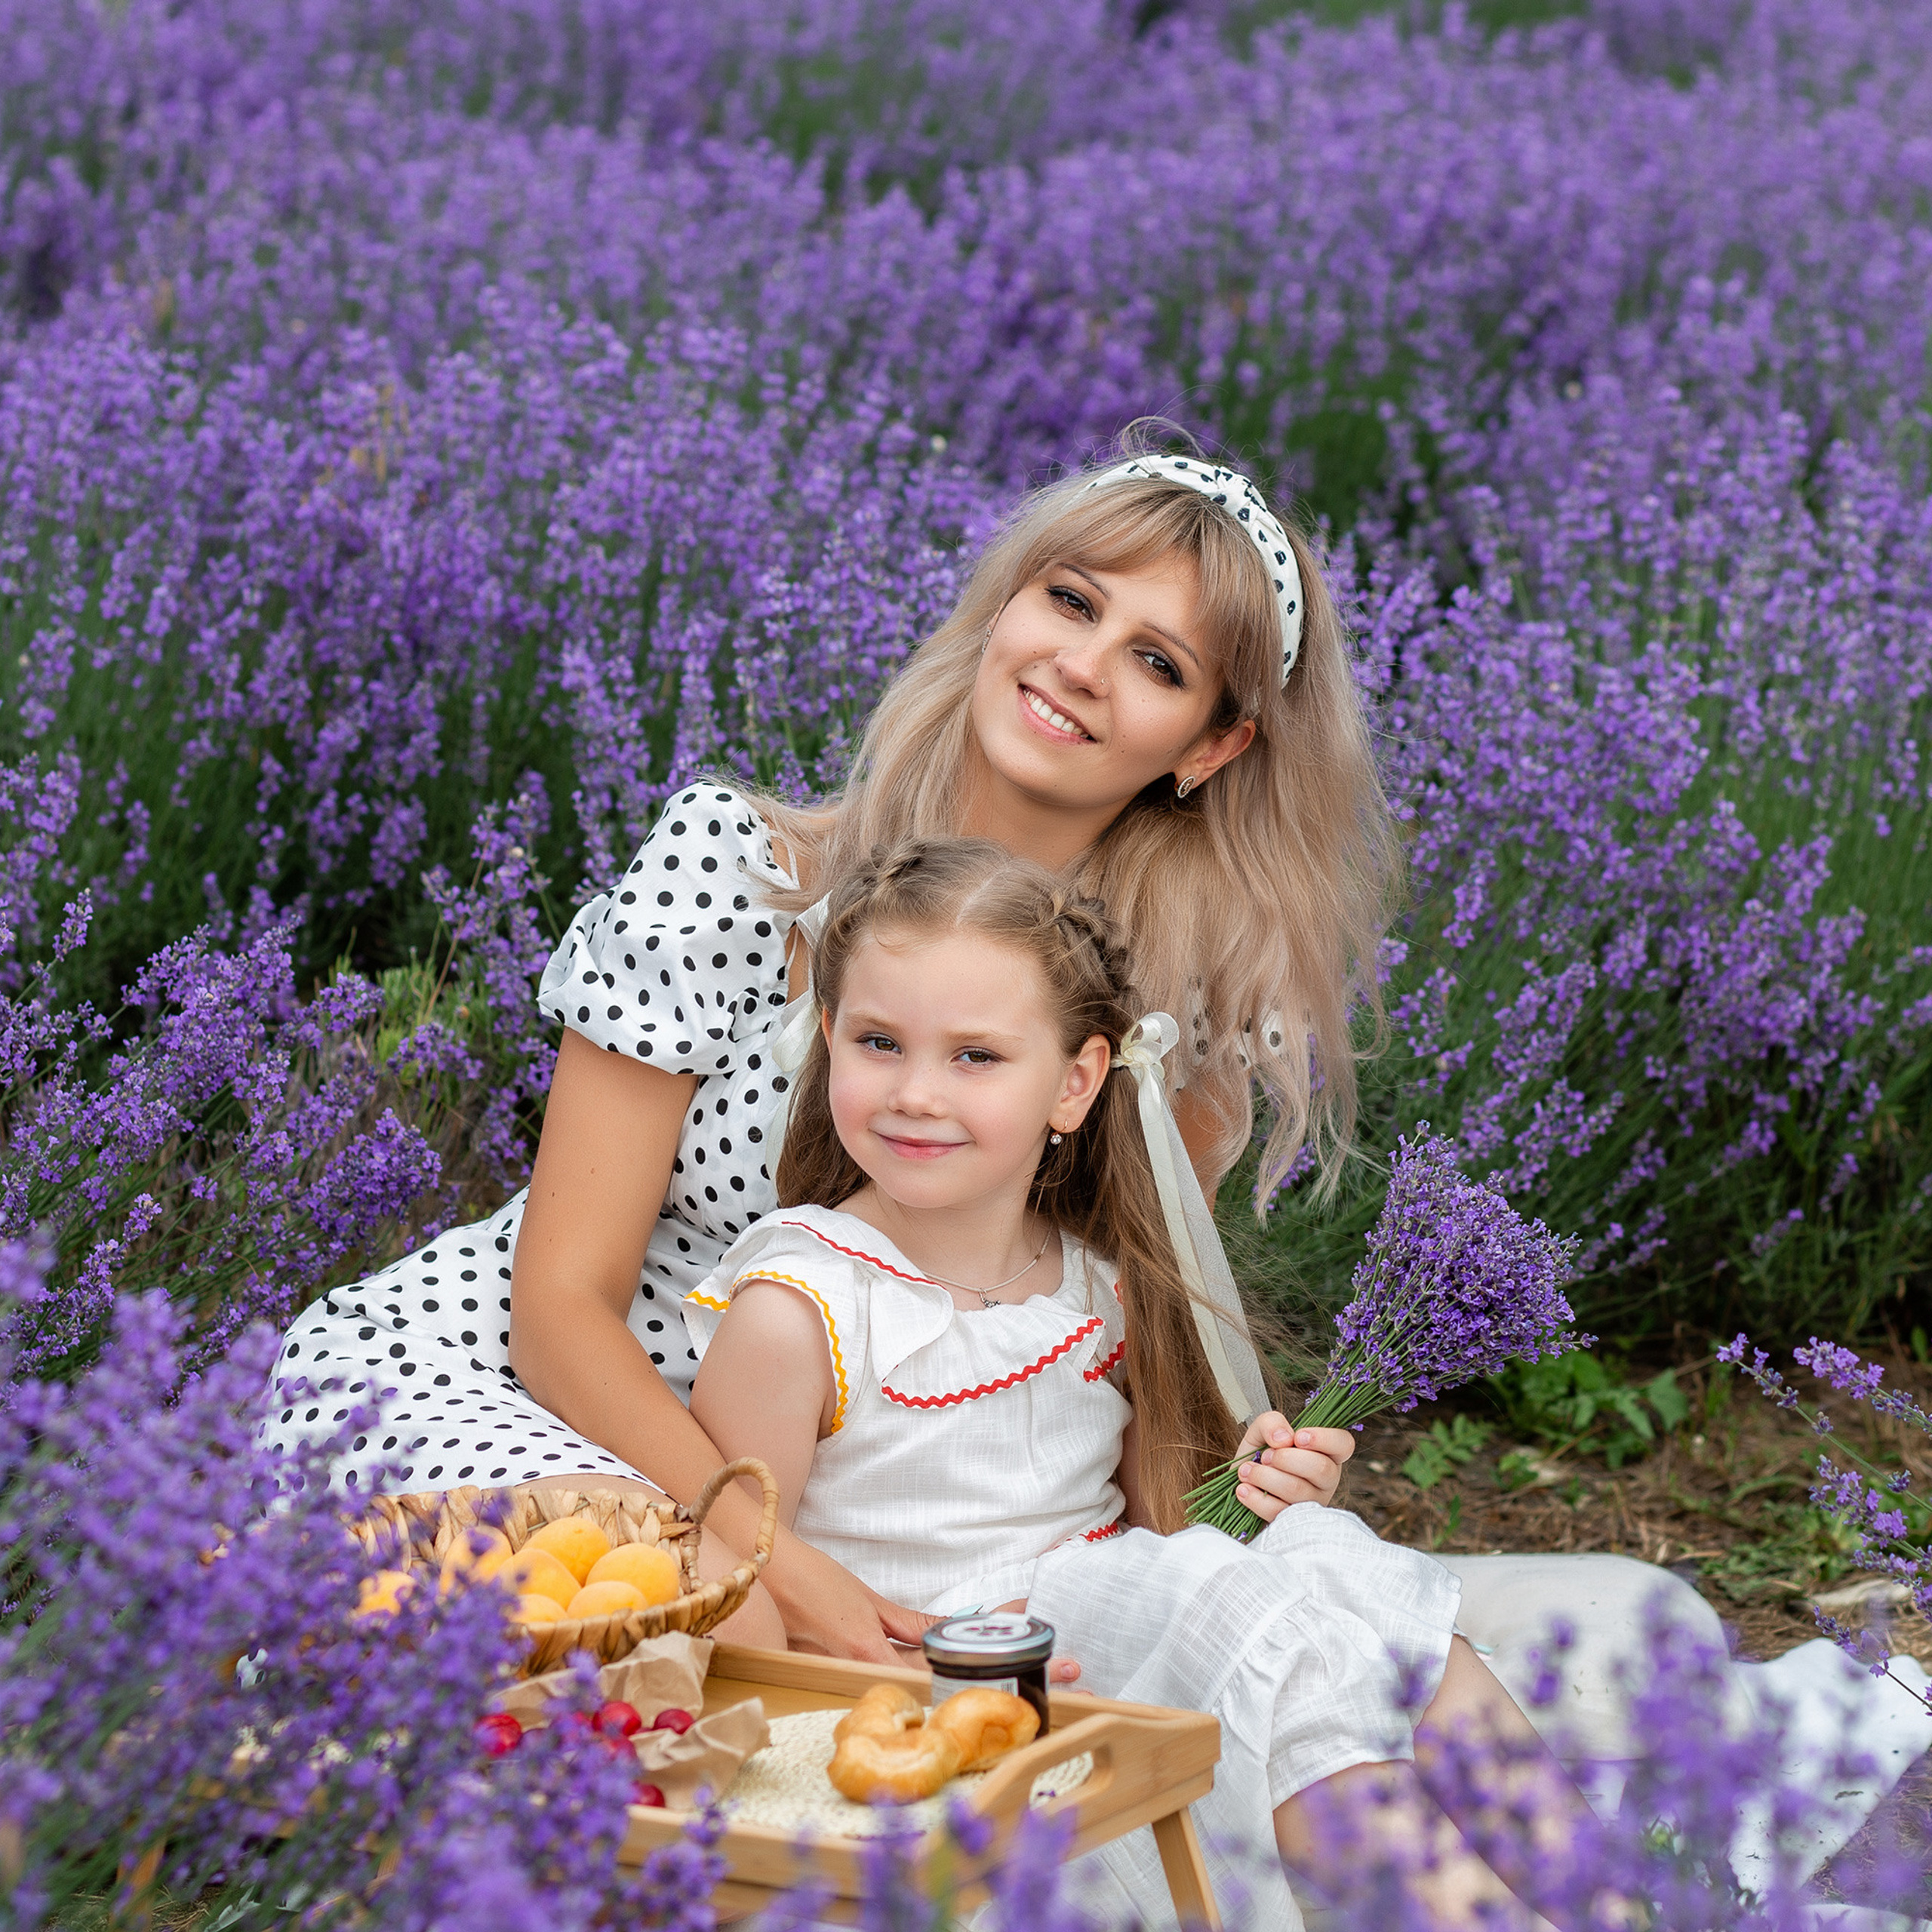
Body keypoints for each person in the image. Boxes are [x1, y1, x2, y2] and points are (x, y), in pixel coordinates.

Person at [260, 439, 1382, 1661]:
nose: (1082, 664)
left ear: (1210, 747)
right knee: (682, 1615)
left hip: (841, 1493)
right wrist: (775, 1559)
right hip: (516, 1384)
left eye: (1157, 663)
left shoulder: (1164, 1026)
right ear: (1005, 604)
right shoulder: (738, 878)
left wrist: (1254, 1484)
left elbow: (1119, 1388)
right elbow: (558, 1308)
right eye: (1071, 601)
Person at [683, 837, 1614, 1932]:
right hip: (948, 1692)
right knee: (1233, 1606)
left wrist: (1257, 1492)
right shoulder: (803, 1304)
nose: (916, 1092)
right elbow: (731, 1579)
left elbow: (1162, 1524)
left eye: (976, 1056)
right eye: (879, 1042)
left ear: (1076, 1083)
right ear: (830, 1035)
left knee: (1325, 1560)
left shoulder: (1095, 1284)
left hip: (1107, 1642)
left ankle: (1606, 1905)